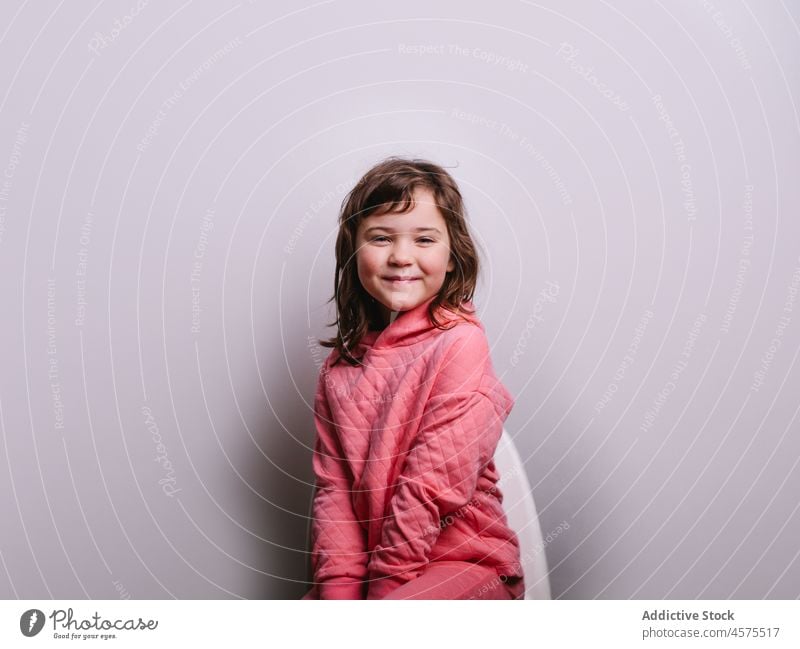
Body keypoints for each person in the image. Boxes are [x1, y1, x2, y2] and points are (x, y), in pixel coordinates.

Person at [301, 157, 524, 600]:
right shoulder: (339, 371)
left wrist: (384, 597)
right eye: (381, 237)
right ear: (354, 252)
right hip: (374, 574)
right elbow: (336, 494)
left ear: (452, 255)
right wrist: (339, 592)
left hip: (466, 567)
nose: (401, 256)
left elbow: (431, 487)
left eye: (424, 239)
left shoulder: (459, 344)